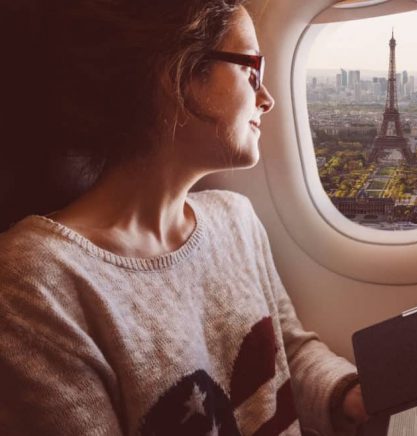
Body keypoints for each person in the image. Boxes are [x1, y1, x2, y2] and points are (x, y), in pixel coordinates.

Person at [0, 0, 368, 434]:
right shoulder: (36, 283)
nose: (265, 99)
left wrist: (352, 398)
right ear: (178, 76)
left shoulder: (236, 221)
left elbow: (286, 354)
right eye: (251, 68)